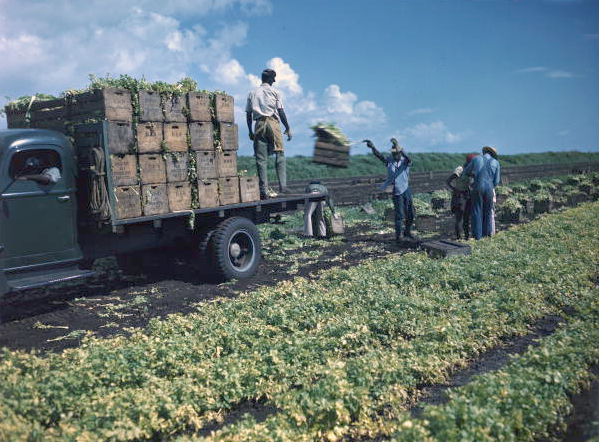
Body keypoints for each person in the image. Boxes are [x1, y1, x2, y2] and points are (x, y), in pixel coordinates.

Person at [246, 68, 293, 199]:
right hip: (273, 123)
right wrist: (288, 127)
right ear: (271, 80)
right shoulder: (275, 92)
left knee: (261, 159)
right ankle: (283, 186)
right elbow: (281, 111)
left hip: (259, 124)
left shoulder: (252, 93)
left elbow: (248, 114)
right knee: (280, 153)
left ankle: (263, 190)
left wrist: (250, 131)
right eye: (273, 79)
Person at [365, 138, 415, 241]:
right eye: (394, 154)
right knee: (399, 214)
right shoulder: (389, 162)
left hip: (406, 189)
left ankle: (408, 232)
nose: (395, 155)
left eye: (397, 153)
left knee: (411, 213)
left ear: (400, 153)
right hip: (397, 191)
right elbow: (379, 156)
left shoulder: (405, 162)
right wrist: (373, 147)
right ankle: (399, 236)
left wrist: (399, 147)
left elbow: (409, 158)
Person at [463, 146, 501, 239]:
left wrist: (474, 175)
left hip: (477, 186)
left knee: (476, 210)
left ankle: (478, 238)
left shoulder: (476, 159)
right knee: (488, 211)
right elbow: (496, 181)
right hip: (489, 188)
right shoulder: (496, 163)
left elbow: (465, 172)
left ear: (484, 152)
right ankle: (487, 236)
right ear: (493, 154)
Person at [446, 153, 476, 240]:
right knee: (459, 217)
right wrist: (454, 189)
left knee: (467, 217)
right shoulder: (460, 169)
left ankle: (466, 237)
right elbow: (448, 181)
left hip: (467, 195)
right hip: (459, 195)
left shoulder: (471, 171)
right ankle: (459, 237)